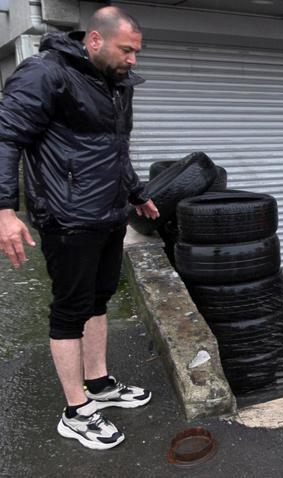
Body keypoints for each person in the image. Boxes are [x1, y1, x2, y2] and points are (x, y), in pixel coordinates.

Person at [0, 6, 158, 450]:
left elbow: (115, 150)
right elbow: (6, 136)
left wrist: (135, 193)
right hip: (68, 218)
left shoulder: (115, 85)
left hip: (108, 215)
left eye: (136, 52)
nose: (133, 60)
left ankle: (100, 383)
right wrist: (4, 209)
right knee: (70, 310)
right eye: (126, 50)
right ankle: (75, 411)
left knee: (98, 300)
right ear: (94, 40)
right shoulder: (45, 74)